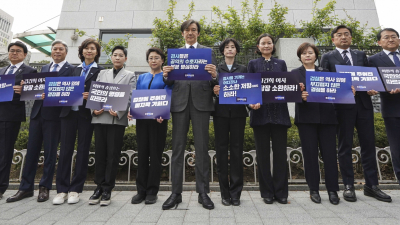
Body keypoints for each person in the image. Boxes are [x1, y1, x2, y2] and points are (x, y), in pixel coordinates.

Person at [320, 25, 391, 202]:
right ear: (333, 39)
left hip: (364, 106)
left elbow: (368, 78)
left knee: (368, 144)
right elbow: (326, 82)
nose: (343, 37)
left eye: (347, 35)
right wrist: (343, 89)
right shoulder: (327, 57)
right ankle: (349, 186)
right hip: (342, 108)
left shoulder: (360, 55)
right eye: (339, 35)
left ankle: (372, 186)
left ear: (351, 38)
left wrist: (371, 89)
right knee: (345, 146)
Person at [7, 40, 74, 203]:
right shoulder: (44, 68)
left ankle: (44, 188)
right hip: (37, 114)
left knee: (50, 153)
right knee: (31, 152)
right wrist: (26, 87)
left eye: (60, 49)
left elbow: (71, 92)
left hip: (55, 116)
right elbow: (35, 90)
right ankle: (25, 188)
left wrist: (52, 94)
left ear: (66, 52)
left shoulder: (72, 69)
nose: (57, 51)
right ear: (51, 52)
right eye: (54, 49)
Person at [161, 19, 218, 210]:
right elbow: (170, 82)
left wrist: (214, 75)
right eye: (187, 30)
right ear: (182, 34)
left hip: (201, 104)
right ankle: (175, 193)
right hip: (180, 104)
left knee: (202, 149)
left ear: (198, 33)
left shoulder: (208, 53)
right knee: (177, 150)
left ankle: (203, 193)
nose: (190, 32)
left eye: (193, 30)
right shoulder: (175, 54)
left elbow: (214, 84)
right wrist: (165, 75)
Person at [53, 38, 104, 205]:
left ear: (97, 53)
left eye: (92, 49)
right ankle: (61, 190)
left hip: (86, 116)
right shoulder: (73, 70)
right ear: (81, 51)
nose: (89, 51)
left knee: (83, 151)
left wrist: (92, 96)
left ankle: (75, 189)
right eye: (86, 48)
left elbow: (103, 94)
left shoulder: (101, 72)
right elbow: (62, 89)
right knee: (65, 150)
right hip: (68, 114)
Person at [88, 45, 136, 206]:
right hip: (100, 117)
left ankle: (108, 188)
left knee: (113, 154)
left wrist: (121, 111)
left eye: (120, 55)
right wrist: (94, 110)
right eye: (115, 55)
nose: (117, 57)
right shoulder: (102, 73)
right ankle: (98, 187)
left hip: (116, 119)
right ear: (111, 58)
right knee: (100, 153)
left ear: (125, 59)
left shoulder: (130, 75)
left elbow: (130, 96)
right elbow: (96, 93)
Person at [292, 42, 340, 205]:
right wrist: (300, 96)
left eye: (310, 52)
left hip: (327, 118)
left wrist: (348, 90)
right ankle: (313, 190)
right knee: (310, 155)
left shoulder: (326, 72)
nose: (307, 55)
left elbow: (337, 91)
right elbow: (289, 96)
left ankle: (333, 190)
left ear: (316, 55)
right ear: (300, 57)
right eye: (304, 53)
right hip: (306, 119)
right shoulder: (294, 74)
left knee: (330, 156)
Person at [247, 33, 290, 204]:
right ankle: (266, 193)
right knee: (263, 156)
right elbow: (249, 87)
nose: (266, 46)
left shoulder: (281, 63)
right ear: (258, 47)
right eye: (263, 43)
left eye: (269, 43)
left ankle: (281, 192)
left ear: (273, 46)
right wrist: (251, 103)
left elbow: (287, 86)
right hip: (260, 114)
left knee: (280, 156)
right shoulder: (252, 64)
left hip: (279, 114)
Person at [128, 47, 172, 205]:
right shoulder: (142, 77)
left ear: (162, 60)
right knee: (142, 154)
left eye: (156, 58)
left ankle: (152, 191)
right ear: (148, 61)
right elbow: (137, 96)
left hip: (158, 121)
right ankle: (141, 191)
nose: (153, 60)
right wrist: (132, 110)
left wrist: (162, 113)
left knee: (155, 156)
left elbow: (168, 95)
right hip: (142, 121)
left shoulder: (166, 77)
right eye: (151, 58)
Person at [212, 38, 247, 206]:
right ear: (223, 51)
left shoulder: (244, 69)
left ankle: (236, 193)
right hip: (221, 114)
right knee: (221, 151)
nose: (230, 49)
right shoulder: (216, 69)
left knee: (237, 151)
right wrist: (214, 90)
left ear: (237, 51)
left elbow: (249, 90)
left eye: (233, 47)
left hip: (239, 114)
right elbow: (209, 89)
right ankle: (224, 193)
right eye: (227, 47)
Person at [0, 41, 37, 200]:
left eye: (18, 51)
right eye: (12, 51)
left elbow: (35, 92)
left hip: (11, 115)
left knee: (4, 152)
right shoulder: (1, 70)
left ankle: (1, 187)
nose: (14, 53)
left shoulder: (30, 70)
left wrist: (24, 90)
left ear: (24, 54)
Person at [368, 28, 400, 186]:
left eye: (394, 37)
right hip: (392, 109)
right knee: (397, 148)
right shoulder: (373, 60)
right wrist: (373, 89)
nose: (391, 39)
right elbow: (370, 80)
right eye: (386, 37)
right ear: (379, 42)